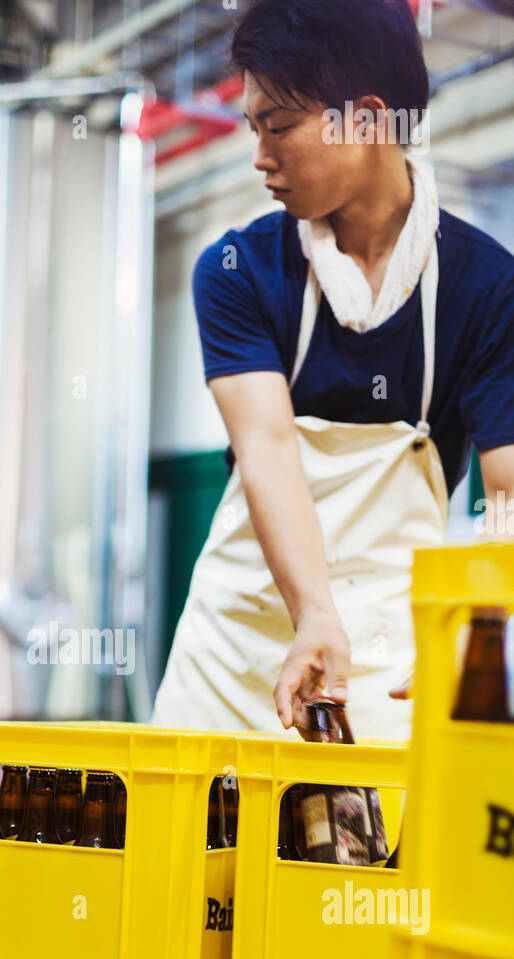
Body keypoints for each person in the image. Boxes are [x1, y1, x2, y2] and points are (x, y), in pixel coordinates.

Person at [150, 0, 514, 740]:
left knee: (359, 851)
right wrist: (314, 611)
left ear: (368, 120)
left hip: (383, 648)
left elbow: (506, 489)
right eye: (253, 127)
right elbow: (267, 448)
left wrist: (477, 620)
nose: (258, 155)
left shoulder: (485, 285)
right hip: (236, 640)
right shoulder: (237, 269)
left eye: (278, 124)